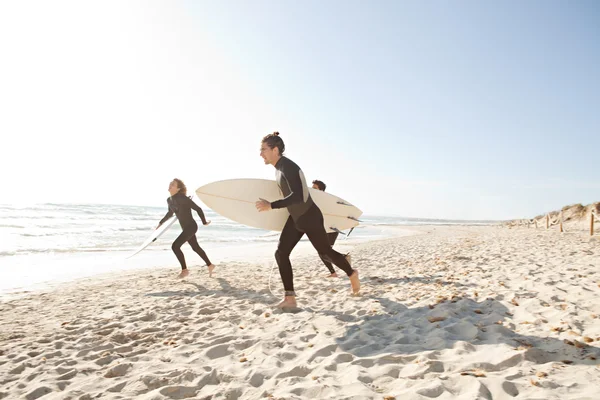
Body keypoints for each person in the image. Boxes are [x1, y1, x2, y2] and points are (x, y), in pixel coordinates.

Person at [255, 132, 360, 308]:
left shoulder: (288, 167)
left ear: (275, 149)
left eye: (263, 149)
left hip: (309, 216)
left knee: (325, 252)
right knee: (281, 253)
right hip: (296, 218)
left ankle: (351, 272)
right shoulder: (279, 169)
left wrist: (271, 206)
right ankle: (290, 299)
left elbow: (298, 197)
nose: (261, 154)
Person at [157, 178, 215, 279]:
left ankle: (184, 270)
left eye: (173, 184)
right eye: (170, 184)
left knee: (175, 246)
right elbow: (170, 213)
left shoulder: (182, 198)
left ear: (178, 188)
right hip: (185, 228)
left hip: (191, 227)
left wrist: (204, 222)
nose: (170, 185)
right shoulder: (169, 200)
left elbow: (198, 209)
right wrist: (161, 223)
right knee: (195, 248)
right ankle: (210, 265)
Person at [311, 179, 350, 278]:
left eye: (315, 188)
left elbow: (338, 213)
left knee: (324, 252)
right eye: (312, 188)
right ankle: (335, 270)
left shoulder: (327, 201)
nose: (312, 189)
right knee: (323, 252)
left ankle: (340, 264)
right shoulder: (314, 200)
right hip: (323, 229)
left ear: (321, 190)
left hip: (331, 229)